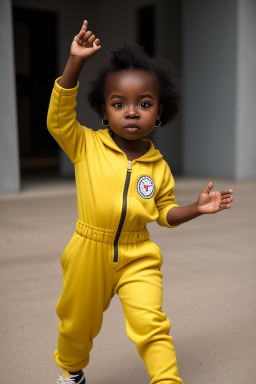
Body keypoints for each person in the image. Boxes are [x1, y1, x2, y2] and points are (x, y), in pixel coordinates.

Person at [47, 20, 234, 384]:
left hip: (139, 256)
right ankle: (72, 372)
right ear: (104, 110)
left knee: (152, 325)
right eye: (119, 104)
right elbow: (58, 117)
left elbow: (164, 213)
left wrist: (195, 209)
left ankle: (167, 381)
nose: (131, 111)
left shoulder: (158, 166)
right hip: (88, 252)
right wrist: (75, 62)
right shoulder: (84, 145)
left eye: (144, 104)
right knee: (75, 325)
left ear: (159, 113)